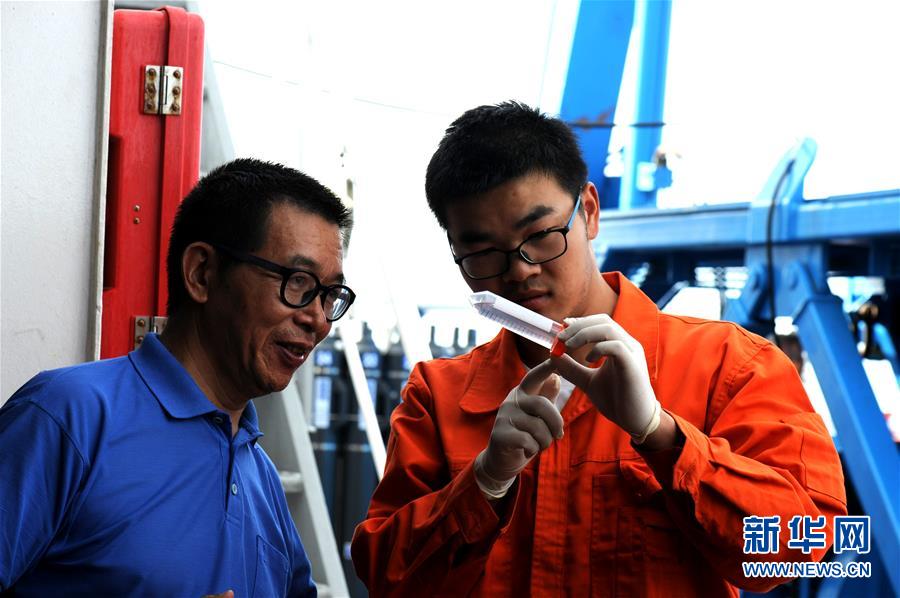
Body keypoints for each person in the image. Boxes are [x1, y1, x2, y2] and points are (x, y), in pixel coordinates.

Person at [351, 102, 847, 596]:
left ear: (588, 211)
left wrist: (662, 434)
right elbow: (386, 578)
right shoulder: (439, 396)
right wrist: (484, 482)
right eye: (482, 252)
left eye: (540, 235)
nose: (520, 269)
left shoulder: (729, 365)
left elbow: (807, 540)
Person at [0, 159, 354, 596]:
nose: (318, 320)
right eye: (298, 283)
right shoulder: (68, 417)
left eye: (330, 296)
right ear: (202, 273)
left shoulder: (259, 475)